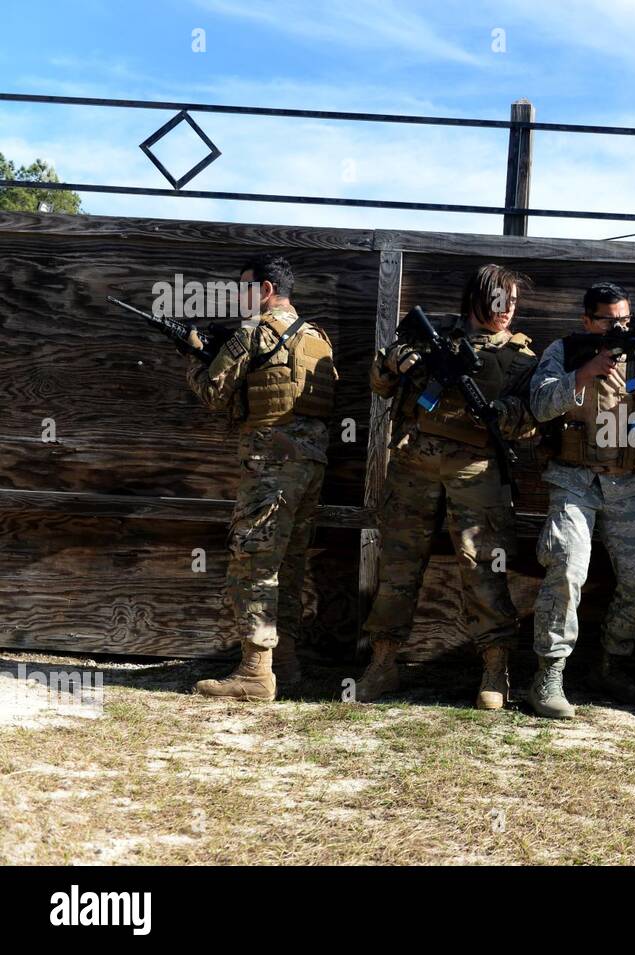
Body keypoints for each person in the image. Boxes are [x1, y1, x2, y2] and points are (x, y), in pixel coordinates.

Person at [356, 264, 538, 709]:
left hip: (476, 472)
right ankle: (383, 663)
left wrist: (500, 415)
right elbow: (380, 385)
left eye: (513, 301)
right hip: (413, 465)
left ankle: (495, 669)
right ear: (477, 299)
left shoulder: (522, 358)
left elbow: (533, 424)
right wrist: (391, 362)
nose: (507, 309)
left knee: (483, 570)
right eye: (500, 299)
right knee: (399, 565)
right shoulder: (431, 336)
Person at [526, 282, 635, 718]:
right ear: (587, 320)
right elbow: (539, 406)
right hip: (573, 481)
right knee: (567, 566)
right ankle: (549, 674)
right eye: (608, 320)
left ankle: (609, 666)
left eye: (624, 319)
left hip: (626, 484)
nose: (619, 327)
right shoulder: (564, 350)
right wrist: (584, 372)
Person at [186, 254, 337, 701]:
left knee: (252, 564)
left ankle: (254, 672)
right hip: (312, 466)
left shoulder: (252, 333)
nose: (238, 298)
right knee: (287, 566)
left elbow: (214, 391)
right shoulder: (317, 338)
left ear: (266, 291)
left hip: (270, 464)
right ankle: (283, 664)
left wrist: (194, 359)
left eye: (244, 288)